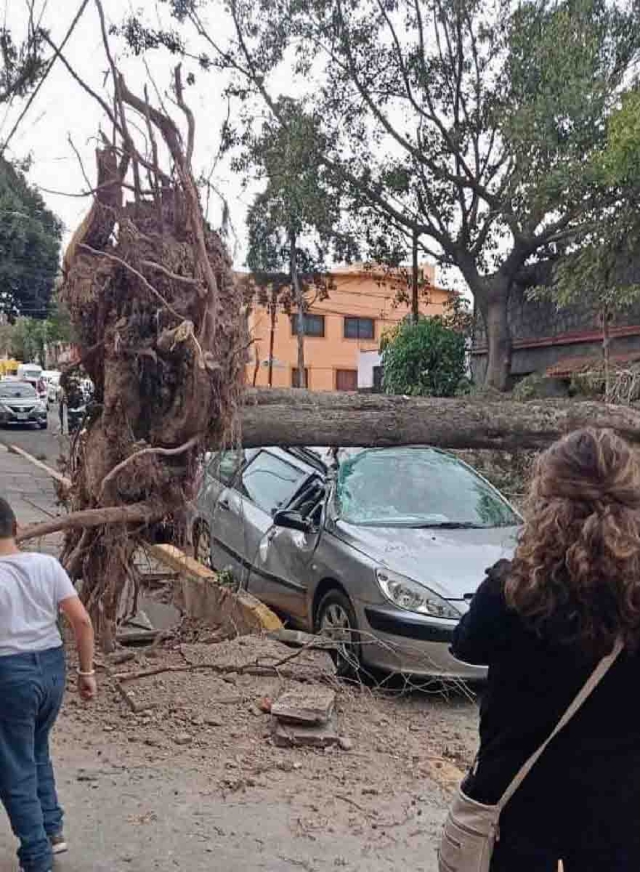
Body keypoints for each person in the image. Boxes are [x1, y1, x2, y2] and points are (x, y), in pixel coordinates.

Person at [451, 427, 640, 871]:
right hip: (618, 816)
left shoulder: (511, 589)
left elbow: (465, 644)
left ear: (546, 499)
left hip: (517, 804)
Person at [0, 497, 95, 872]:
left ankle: (36, 856)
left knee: (12, 766)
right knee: (36, 748)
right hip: (52, 670)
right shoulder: (47, 565)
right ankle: (52, 829)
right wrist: (86, 673)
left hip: (10, 676)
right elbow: (82, 622)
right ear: (18, 527)